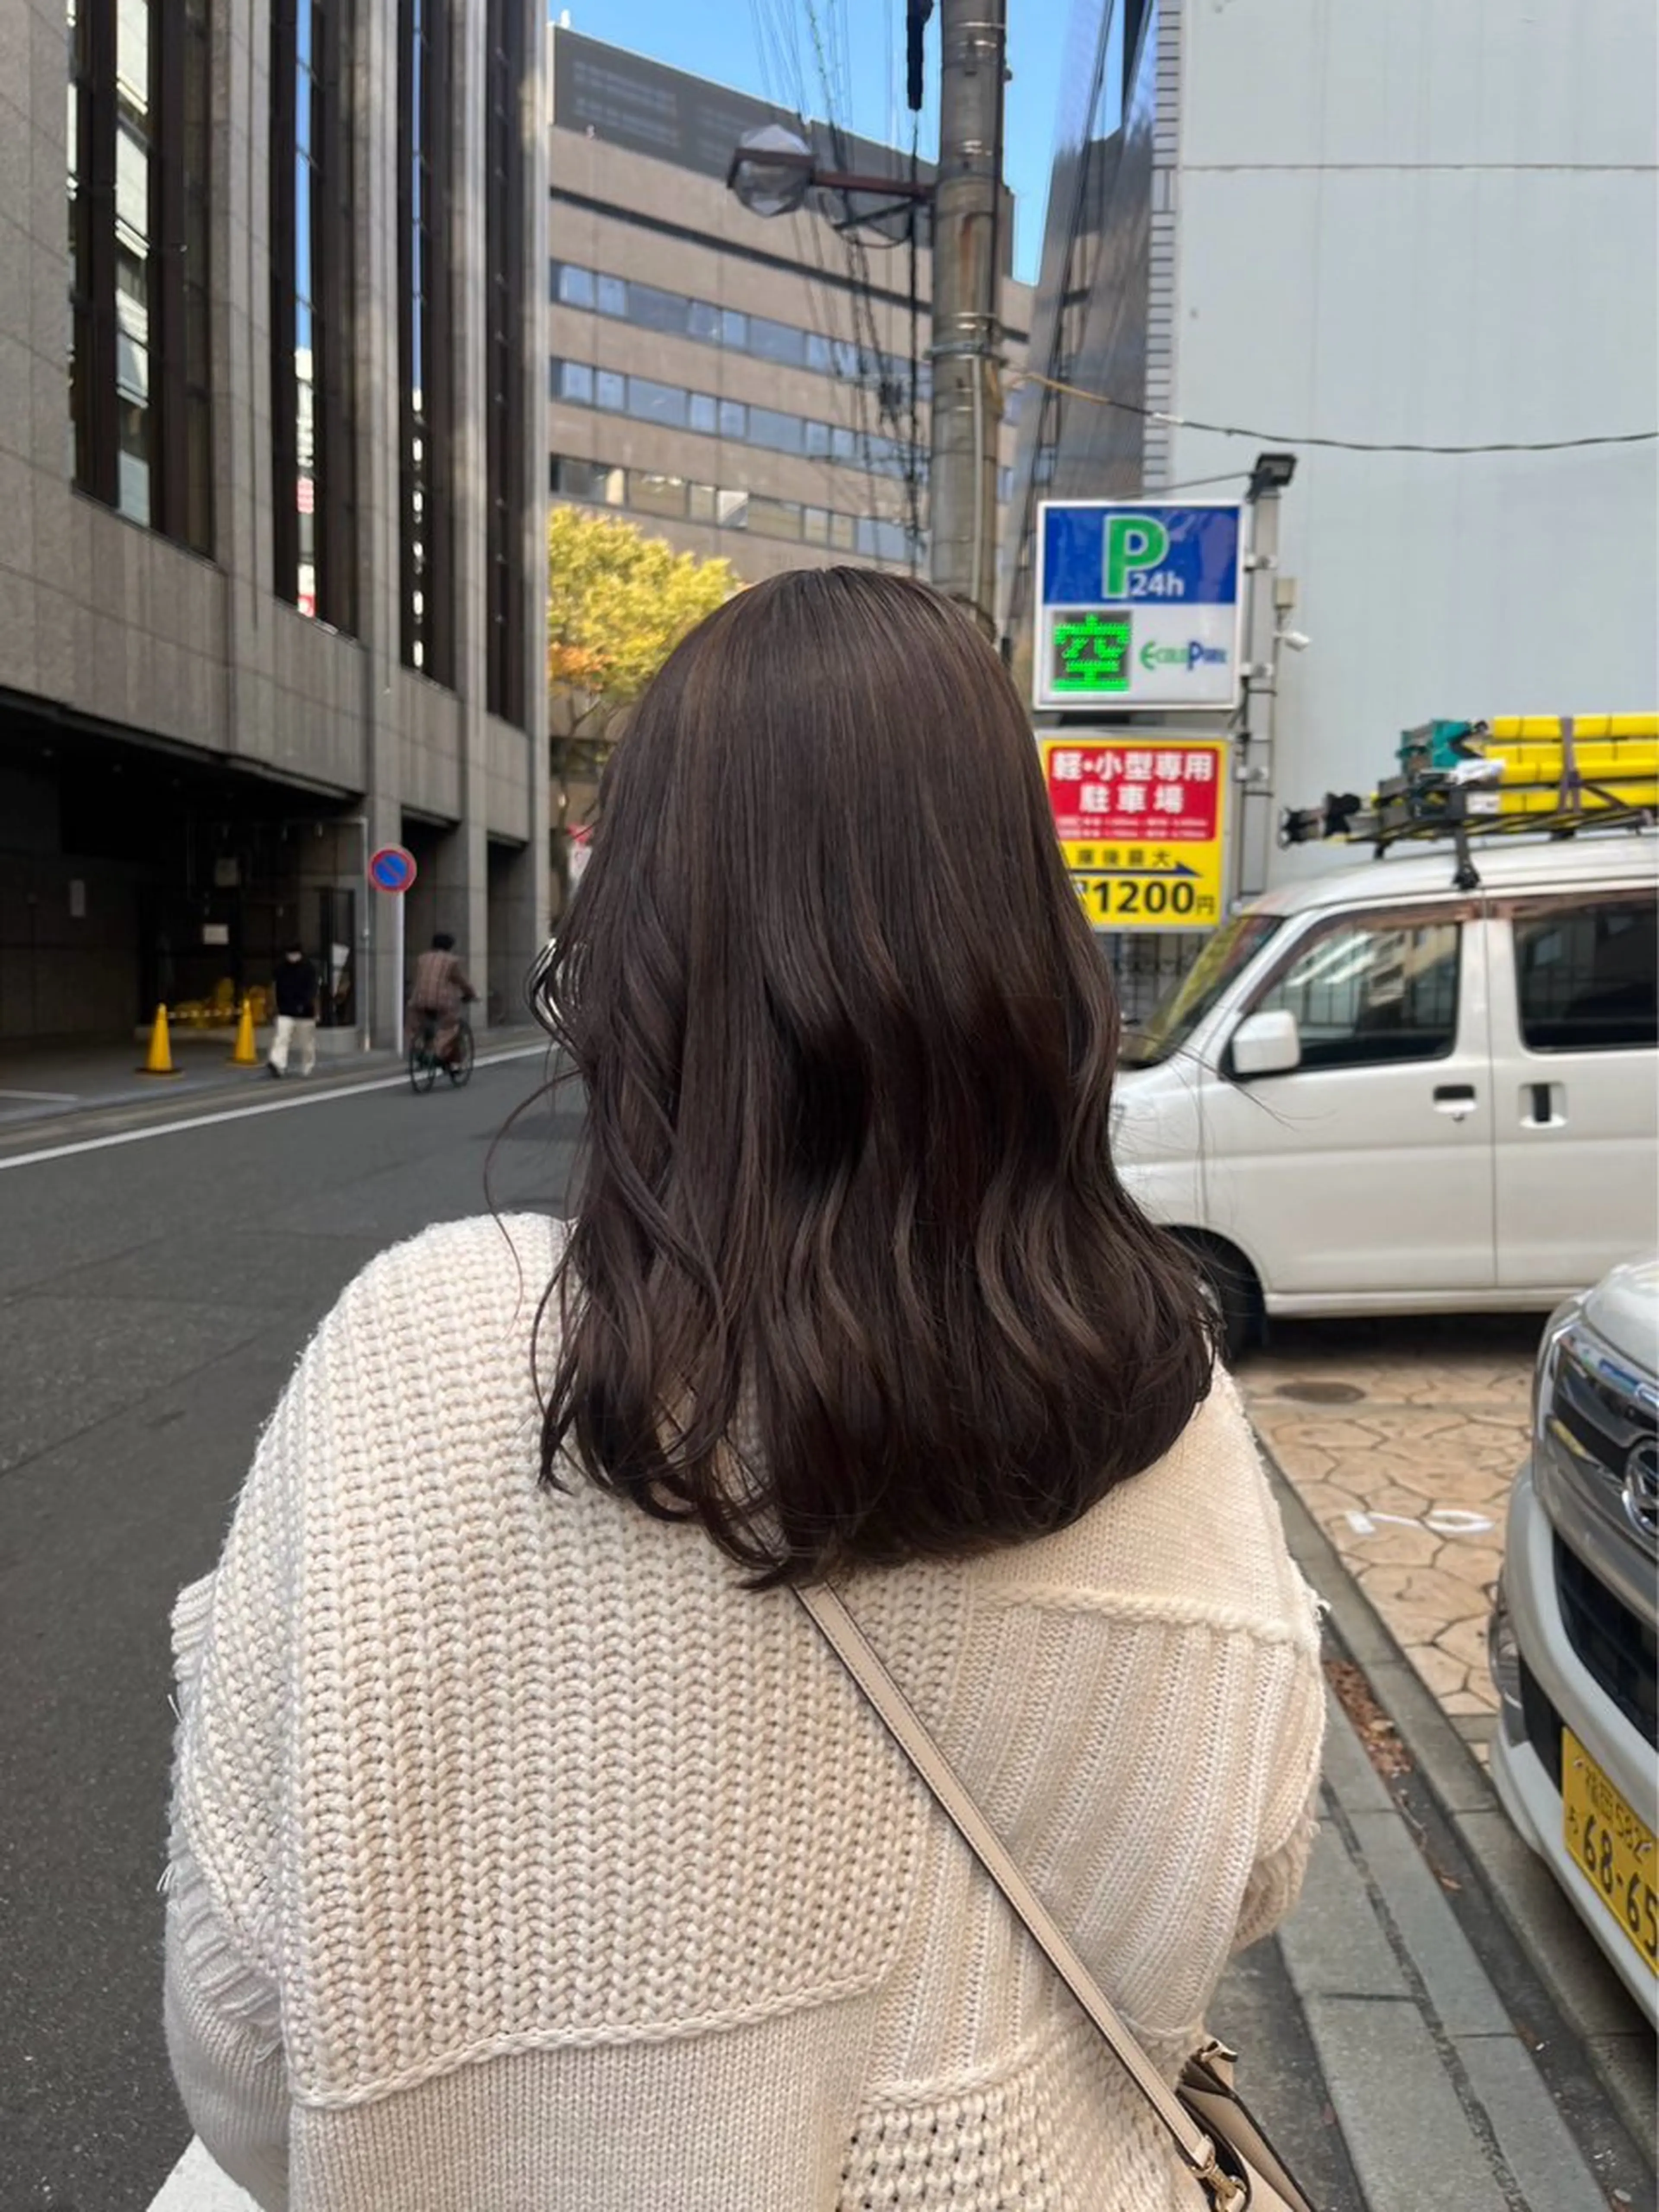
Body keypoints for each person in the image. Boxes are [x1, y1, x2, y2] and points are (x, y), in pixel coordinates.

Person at [164, 571, 1325, 2211]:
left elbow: (239, 2030)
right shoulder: (1161, 1395)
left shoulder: (430, 1352)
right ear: (1030, 937)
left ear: (640, 937)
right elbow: (1250, 1871)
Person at [407, 929, 476, 1065]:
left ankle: (418, 1049)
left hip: (419, 1000)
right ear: (450, 947)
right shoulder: (452, 961)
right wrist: (471, 994)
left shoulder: (422, 959)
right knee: (450, 1025)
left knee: (415, 1025)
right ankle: (438, 1052)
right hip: (440, 1002)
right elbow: (461, 981)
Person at [266, 944, 317, 1078]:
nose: (292, 957)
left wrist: (312, 1007)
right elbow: (275, 988)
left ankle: (308, 1066)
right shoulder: (281, 969)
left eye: (294, 954)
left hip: (305, 1012)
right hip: (285, 1010)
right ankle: (278, 1064)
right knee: (281, 1037)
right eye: (290, 954)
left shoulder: (309, 969)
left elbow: (313, 991)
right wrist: (274, 1006)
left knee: (307, 1043)